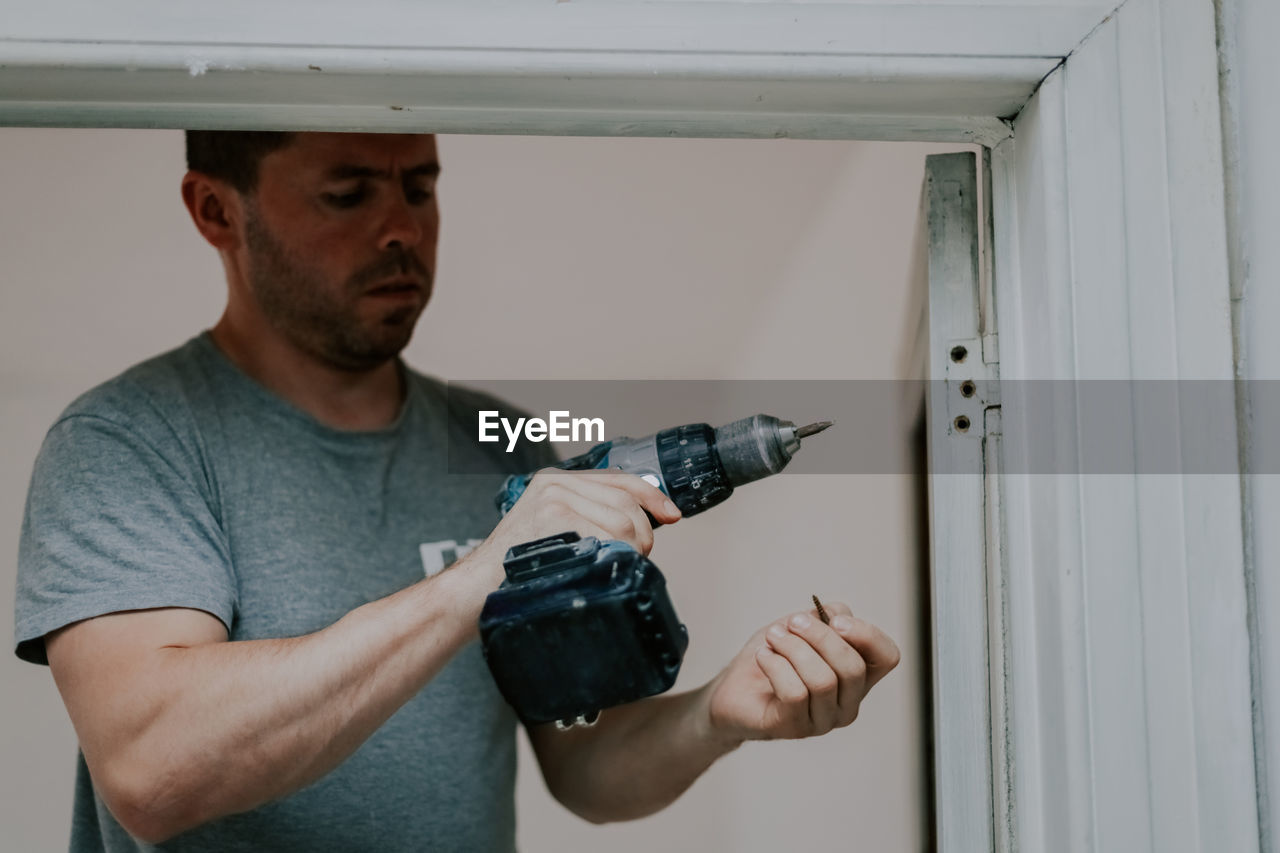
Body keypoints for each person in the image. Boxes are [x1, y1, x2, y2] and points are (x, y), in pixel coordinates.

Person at [13, 131, 901, 852]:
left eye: (420, 187)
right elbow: (152, 770)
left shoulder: (502, 444)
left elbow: (583, 764)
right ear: (216, 210)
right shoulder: (129, 441)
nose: (401, 227)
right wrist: (476, 576)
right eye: (349, 193)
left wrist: (716, 714)